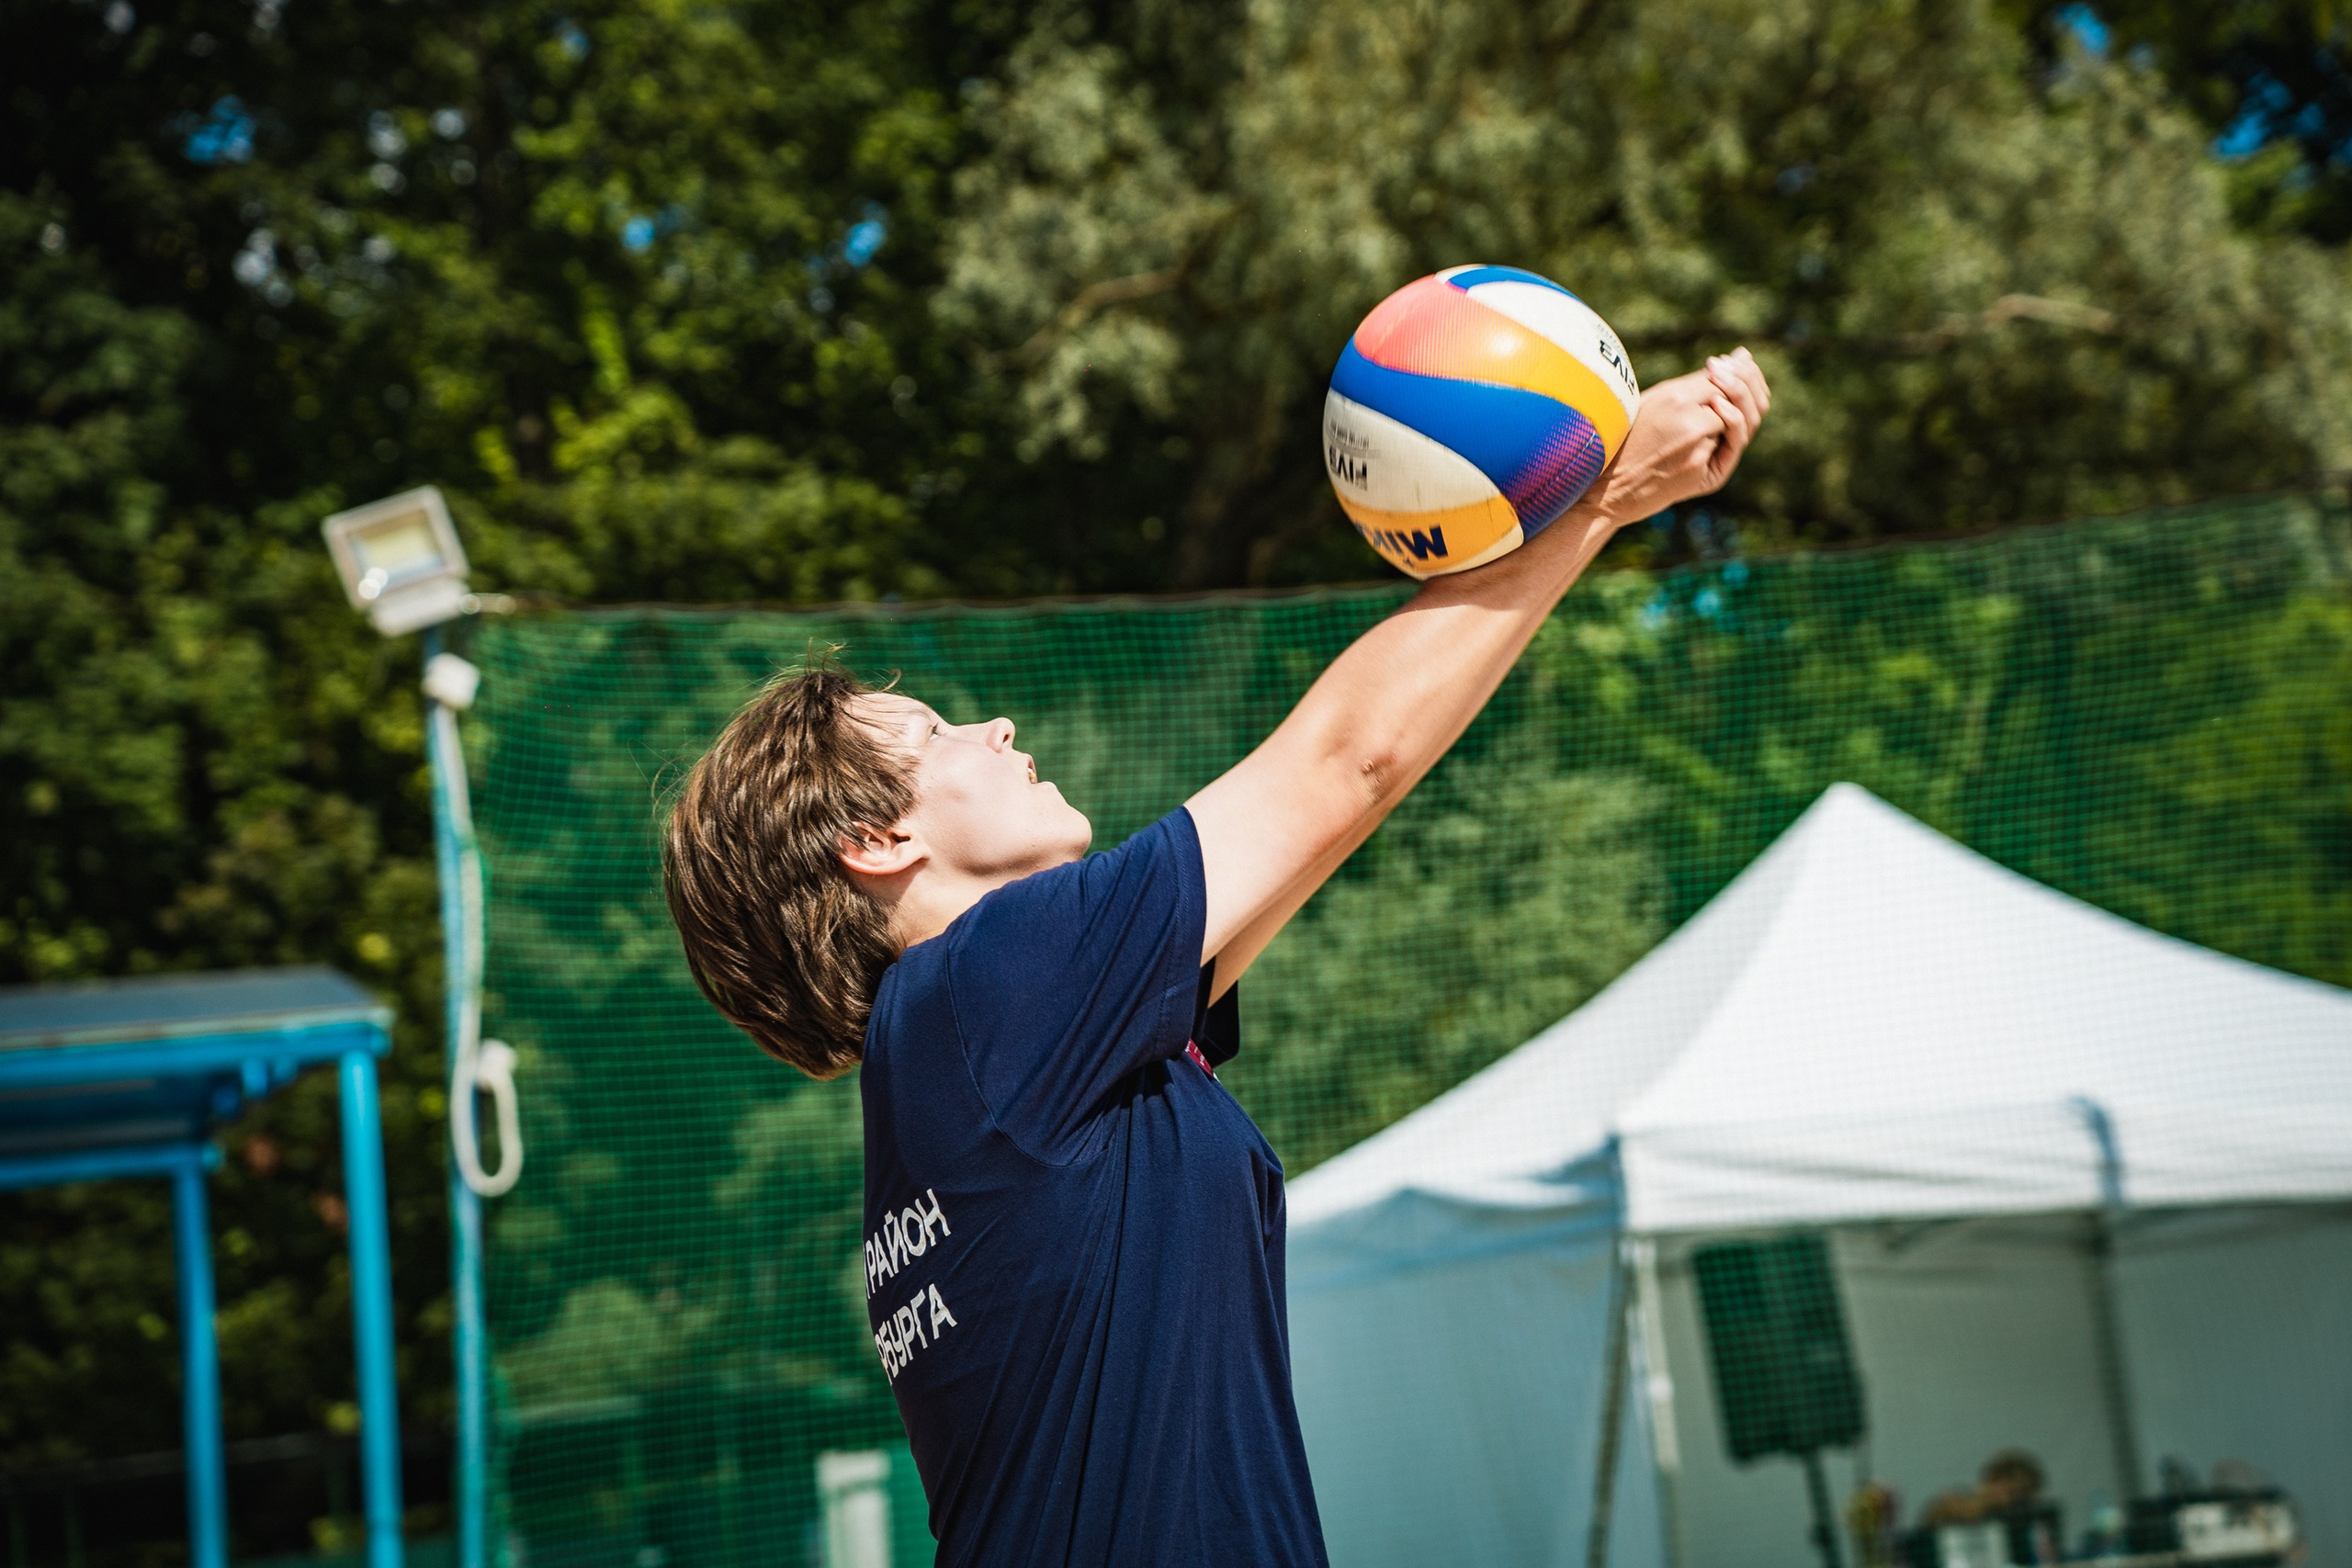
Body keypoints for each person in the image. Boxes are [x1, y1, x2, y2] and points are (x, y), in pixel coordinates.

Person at [661, 348, 1772, 1566]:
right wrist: (1604, 494)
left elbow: (1328, 820)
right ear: (876, 841)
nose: (994, 727)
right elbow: (1343, 764)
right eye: (938, 733)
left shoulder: (977, 1060)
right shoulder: (986, 992)